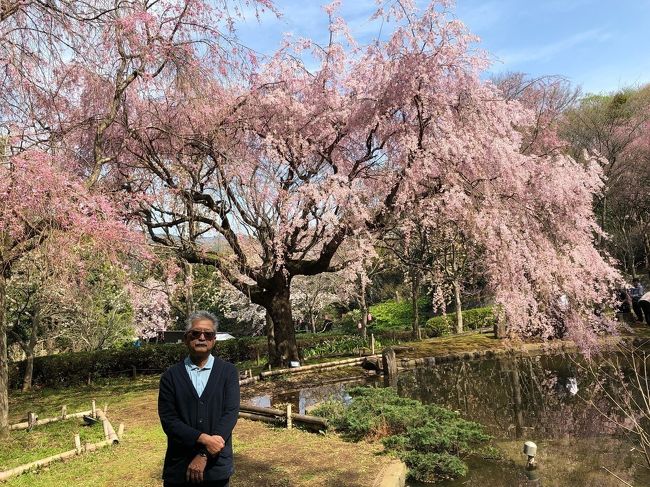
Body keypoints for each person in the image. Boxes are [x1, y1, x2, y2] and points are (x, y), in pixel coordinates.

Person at [158, 311, 240, 486]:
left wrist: (204, 454)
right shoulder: (170, 376)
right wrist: (204, 439)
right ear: (187, 338)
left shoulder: (228, 372)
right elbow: (169, 421)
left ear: (214, 340)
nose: (202, 337)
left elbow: (230, 413)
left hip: (216, 466)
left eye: (208, 334)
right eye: (196, 333)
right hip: (180, 466)